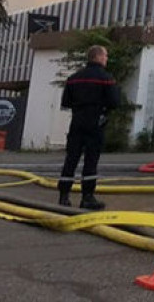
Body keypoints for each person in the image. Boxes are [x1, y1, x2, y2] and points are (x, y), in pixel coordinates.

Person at [57, 44, 121, 210]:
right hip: (95, 122)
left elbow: (66, 102)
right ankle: (87, 197)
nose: (106, 58)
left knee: (71, 158)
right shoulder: (106, 78)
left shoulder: (74, 78)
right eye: (105, 56)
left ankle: (64, 196)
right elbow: (115, 102)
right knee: (91, 160)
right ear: (98, 57)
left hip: (77, 121)